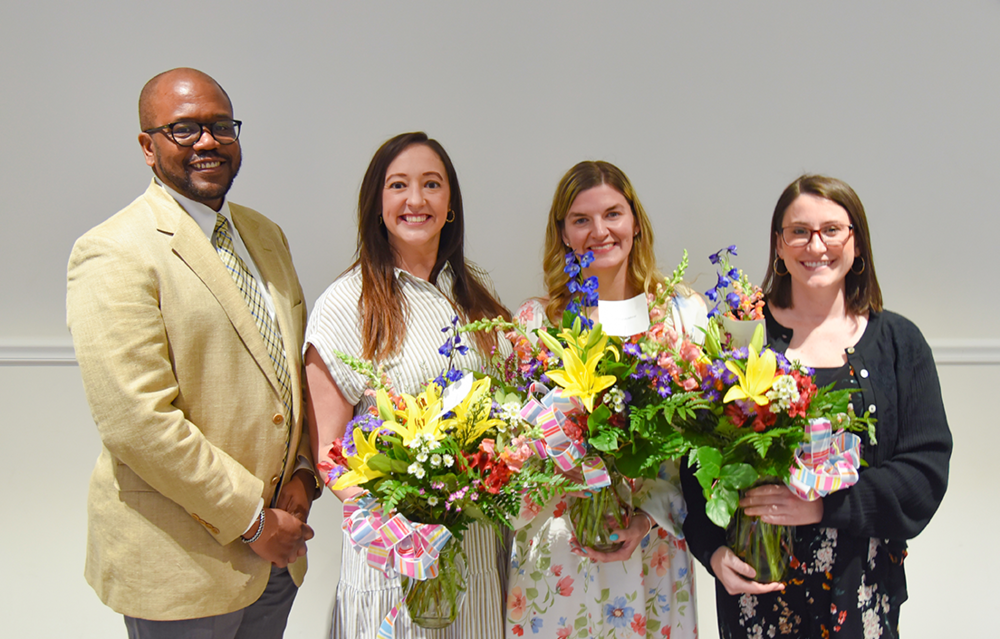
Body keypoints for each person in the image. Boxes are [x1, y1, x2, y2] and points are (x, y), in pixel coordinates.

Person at [66, 68, 319, 638]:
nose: (207, 141)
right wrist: (253, 521)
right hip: (181, 564)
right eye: (183, 129)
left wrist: (303, 473)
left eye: (220, 126)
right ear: (147, 147)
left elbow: (290, 373)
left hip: (278, 555)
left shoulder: (266, 234)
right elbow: (137, 422)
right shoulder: (113, 251)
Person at [681, 175, 953, 638]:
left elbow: (925, 473)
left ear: (856, 242)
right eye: (799, 231)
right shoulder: (737, 337)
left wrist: (824, 507)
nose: (816, 245)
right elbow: (694, 464)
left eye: (832, 229)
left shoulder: (898, 343)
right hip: (757, 590)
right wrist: (711, 552)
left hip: (861, 587)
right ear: (780, 246)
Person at [303, 132, 512, 638]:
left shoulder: (476, 299)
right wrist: (404, 528)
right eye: (398, 185)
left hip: (481, 550)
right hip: (395, 563)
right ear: (377, 205)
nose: (416, 200)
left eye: (431, 185)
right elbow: (330, 452)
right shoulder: (345, 302)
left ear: (451, 206)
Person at [506, 161, 701, 639]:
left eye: (613, 214)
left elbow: (700, 444)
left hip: (650, 550)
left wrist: (646, 516)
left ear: (635, 221)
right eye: (581, 220)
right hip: (559, 551)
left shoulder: (679, 315)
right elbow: (512, 448)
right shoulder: (535, 324)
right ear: (563, 232)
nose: (600, 231)